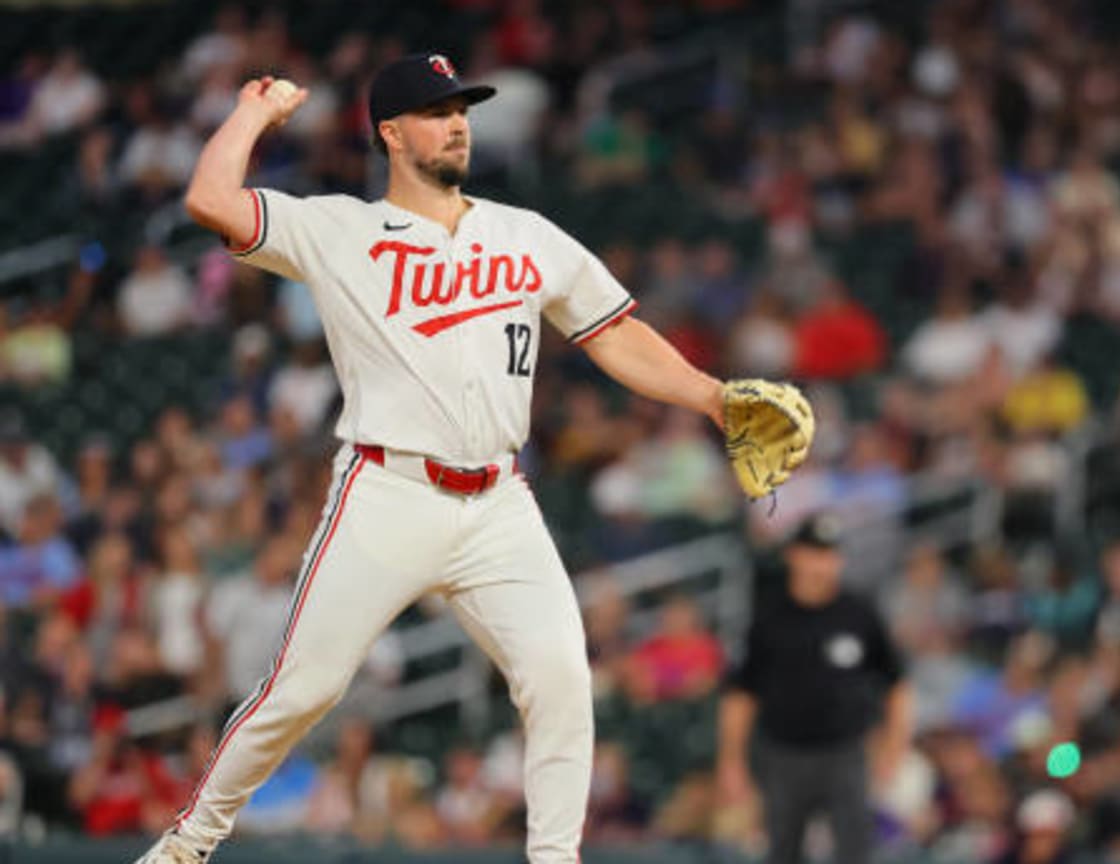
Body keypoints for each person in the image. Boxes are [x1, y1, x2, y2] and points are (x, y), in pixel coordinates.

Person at [137, 53, 788, 863]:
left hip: (498, 502)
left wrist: (714, 398)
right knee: (302, 690)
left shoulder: (526, 234)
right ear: (390, 133)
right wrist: (251, 117)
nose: (458, 124)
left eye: (464, 111)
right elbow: (209, 199)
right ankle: (188, 844)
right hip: (387, 490)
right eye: (438, 111)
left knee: (560, 677)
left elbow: (615, 333)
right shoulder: (341, 229)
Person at [716, 513, 913, 864]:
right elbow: (741, 693)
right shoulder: (769, 615)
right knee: (783, 850)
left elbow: (896, 683)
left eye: (829, 554)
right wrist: (732, 761)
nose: (821, 564)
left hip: (845, 753)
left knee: (855, 849)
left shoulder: (859, 612)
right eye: (813, 553)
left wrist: (895, 745)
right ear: (793, 555)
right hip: (783, 756)